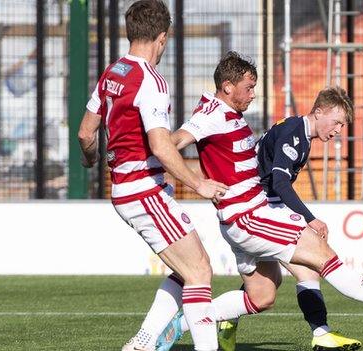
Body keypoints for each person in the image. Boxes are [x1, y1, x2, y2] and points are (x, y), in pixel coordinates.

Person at [155, 51, 363, 350]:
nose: (253, 95)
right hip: (250, 215)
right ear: (227, 86)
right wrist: (192, 182)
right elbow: (169, 144)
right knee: (321, 256)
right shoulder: (214, 115)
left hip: (246, 216)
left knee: (262, 295)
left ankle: (184, 323)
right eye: (249, 88)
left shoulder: (233, 116)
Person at [77, 1, 228, 350]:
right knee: (200, 272)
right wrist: (198, 182)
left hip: (127, 189)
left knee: (188, 269)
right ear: (161, 37)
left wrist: (91, 160)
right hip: (145, 191)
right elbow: (161, 146)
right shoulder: (151, 80)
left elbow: (86, 133)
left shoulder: (113, 72)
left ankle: (143, 341)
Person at [216, 87, 362, 351]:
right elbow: (281, 183)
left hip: (262, 206)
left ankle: (225, 316)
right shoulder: (294, 133)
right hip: (257, 209)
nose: (340, 129)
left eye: (343, 125)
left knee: (263, 294)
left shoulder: (300, 134)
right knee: (308, 267)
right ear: (319, 112)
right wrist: (310, 219)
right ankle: (321, 333)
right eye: (338, 122)